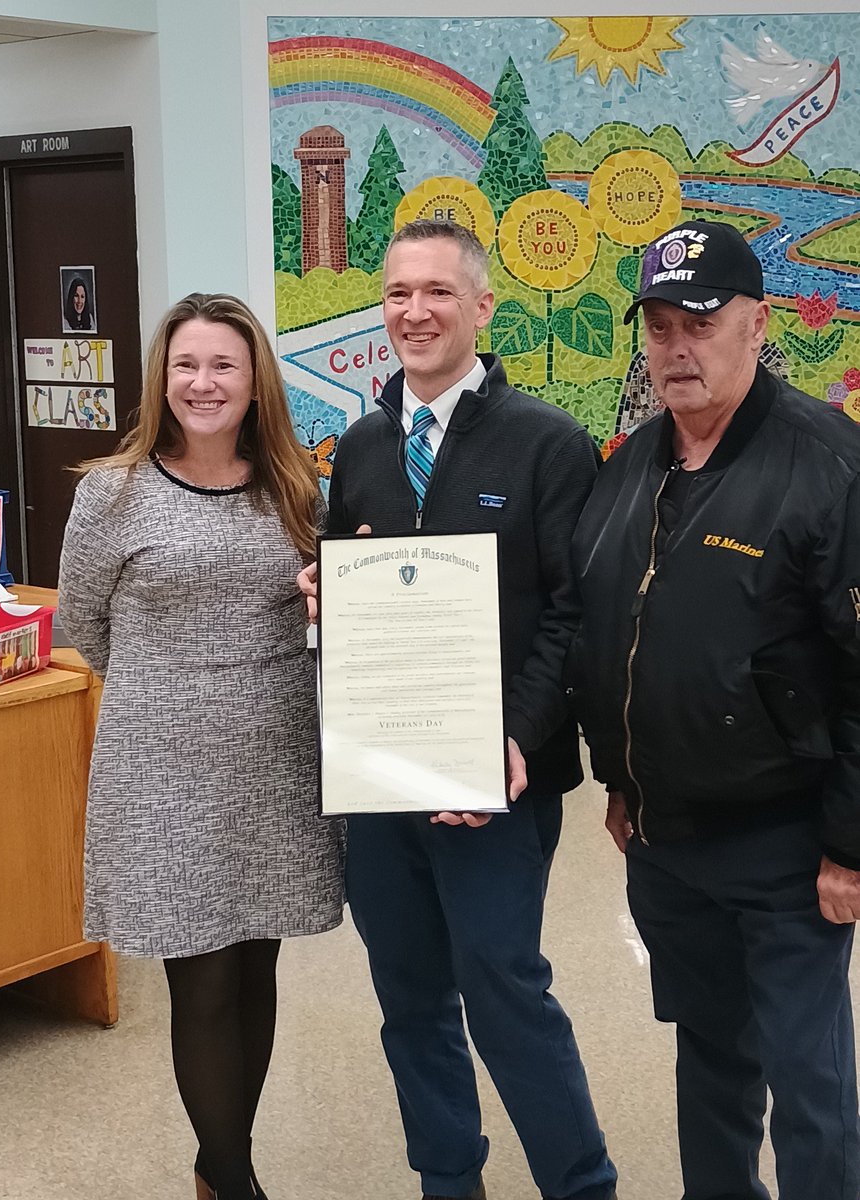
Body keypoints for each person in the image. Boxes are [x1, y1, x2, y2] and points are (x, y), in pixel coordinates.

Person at [299, 220, 617, 1200]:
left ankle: (581, 1184)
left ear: (482, 309)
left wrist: (516, 736)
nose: (416, 312)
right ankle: (449, 1180)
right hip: (384, 781)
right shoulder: (357, 447)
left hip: (502, 782)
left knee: (504, 990)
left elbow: (575, 610)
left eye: (439, 292)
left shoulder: (549, 445)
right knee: (410, 999)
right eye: (398, 294)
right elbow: (344, 585)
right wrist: (326, 593)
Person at [566, 218, 860, 1200]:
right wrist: (618, 779)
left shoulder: (827, 463)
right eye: (658, 326)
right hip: (666, 842)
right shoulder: (627, 468)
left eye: (699, 321)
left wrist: (851, 843)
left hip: (787, 847)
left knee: (809, 1081)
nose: (677, 348)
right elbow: (605, 632)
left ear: (757, 323)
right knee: (710, 1060)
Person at [59, 292, 343, 1200]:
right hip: (165, 773)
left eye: (224, 364)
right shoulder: (111, 494)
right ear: (162, 377)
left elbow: (322, 617)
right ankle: (235, 1178)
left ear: (255, 379)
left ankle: (219, 1167)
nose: (204, 382)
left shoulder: (297, 488)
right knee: (204, 982)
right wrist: (176, 686)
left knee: (257, 964)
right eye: (187, 365)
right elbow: (84, 627)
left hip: (276, 762)